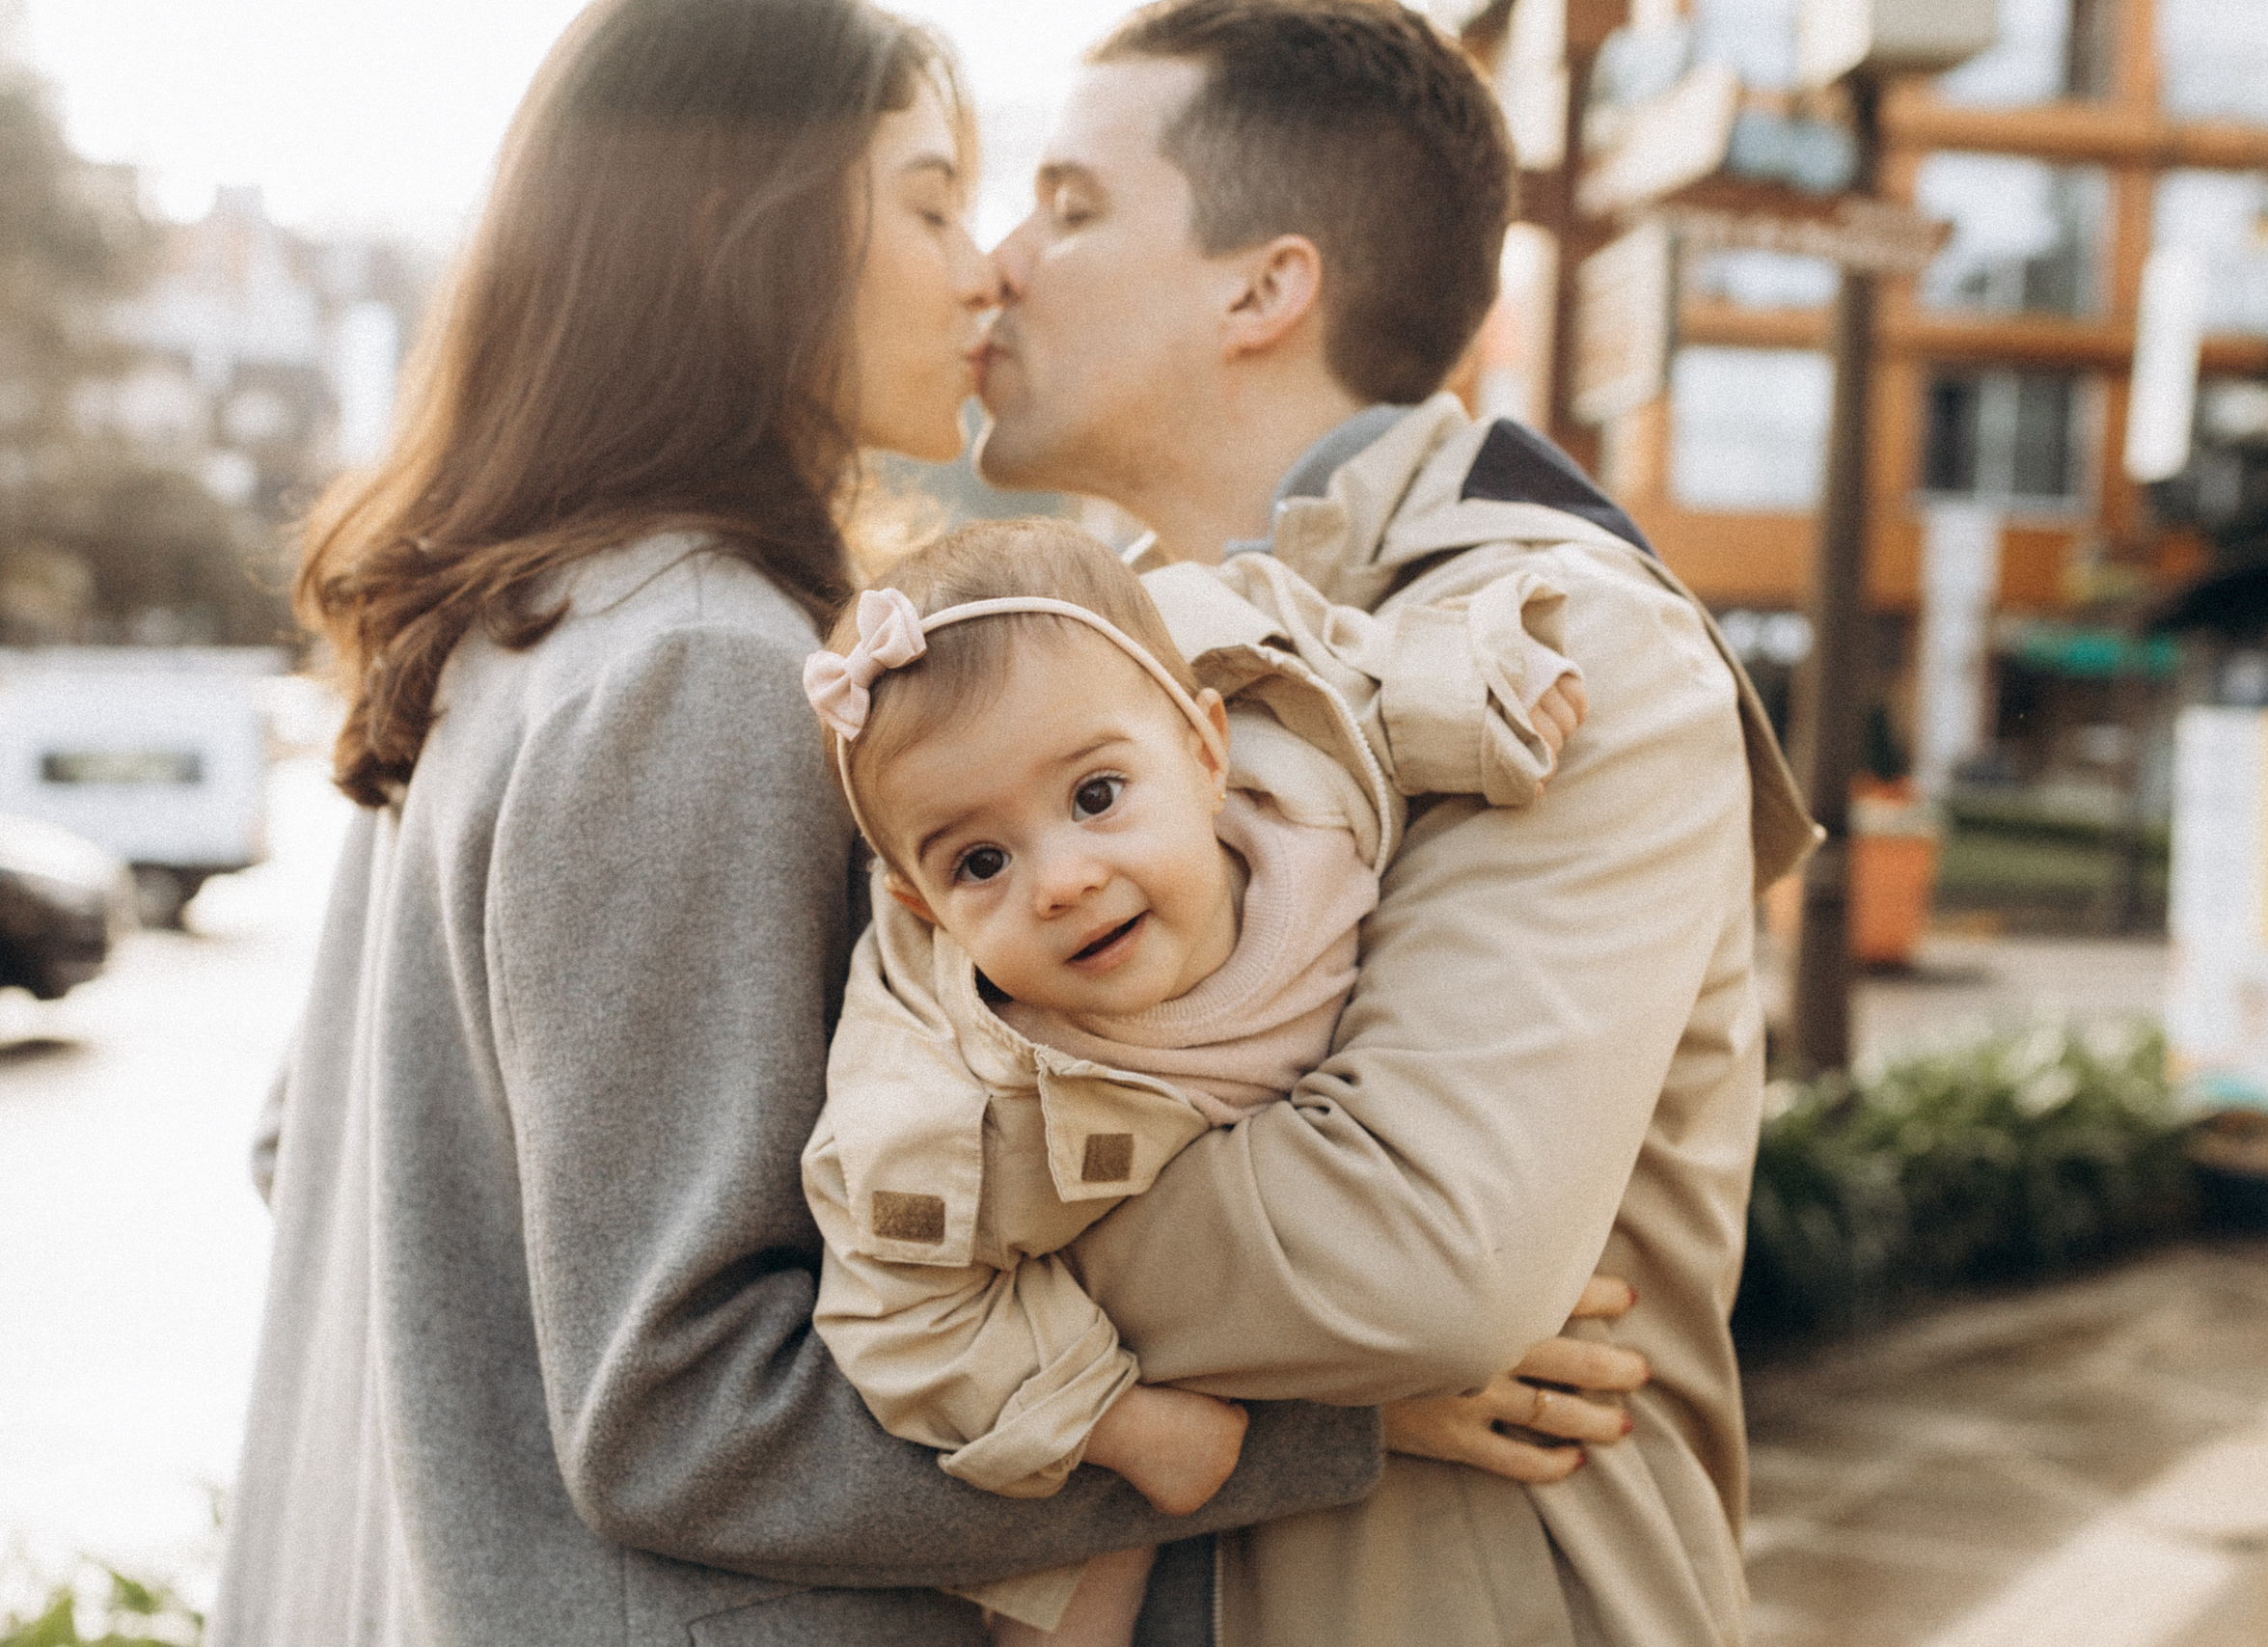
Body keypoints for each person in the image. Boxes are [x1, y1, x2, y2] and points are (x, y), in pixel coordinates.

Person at [215, 2, 1644, 1642]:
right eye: (932, 204)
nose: (984, 274)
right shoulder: (697, 665)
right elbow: (684, 1412)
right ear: (741, 233)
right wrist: (1323, 1423)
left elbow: (309, 1152)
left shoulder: (515, 622)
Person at [968, 3, 1820, 1643]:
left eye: (1068, 207)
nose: (999, 265)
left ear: (1264, 288)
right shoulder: (1060, 670)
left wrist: (923, 1222)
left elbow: (1410, 1260)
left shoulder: (1567, 649)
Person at [798, 520, 1583, 1643]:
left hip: (1319, 1233)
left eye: (1096, 795)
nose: (1062, 881)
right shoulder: (961, 1114)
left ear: (1209, 752)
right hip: (1109, 1331)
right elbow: (893, 1310)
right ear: (924, 907)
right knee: (1071, 1590)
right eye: (981, 862)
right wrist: (1114, 1421)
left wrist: (1488, 696)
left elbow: (1356, 675)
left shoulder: (1307, 784)